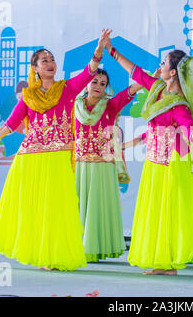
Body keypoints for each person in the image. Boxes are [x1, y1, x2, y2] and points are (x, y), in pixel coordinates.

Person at [0, 29, 111, 271]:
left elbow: (90, 71)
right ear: (35, 68)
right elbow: (8, 127)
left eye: (52, 59)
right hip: (29, 158)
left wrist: (99, 49)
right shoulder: (28, 97)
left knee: (55, 208)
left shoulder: (67, 89)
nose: (51, 63)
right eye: (45, 60)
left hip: (57, 159)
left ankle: (50, 255)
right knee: (15, 204)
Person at [105, 36, 193, 279]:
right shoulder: (157, 89)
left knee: (192, 206)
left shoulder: (179, 103)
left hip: (175, 161)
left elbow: (190, 128)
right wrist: (112, 51)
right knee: (160, 212)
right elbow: (135, 72)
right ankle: (166, 261)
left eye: (163, 63)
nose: (159, 66)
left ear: (173, 72)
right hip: (155, 161)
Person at [73, 68, 143, 262]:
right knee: (77, 206)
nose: (98, 86)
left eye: (102, 84)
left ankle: (95, 249)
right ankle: (75, 247)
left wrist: (148, 77)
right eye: (94, 81)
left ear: (106, 88)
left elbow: (130, 91)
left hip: (102, 166)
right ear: (86, 83)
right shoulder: (74, 105)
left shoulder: (110, 105)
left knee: (97, 206)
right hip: (78, 165)